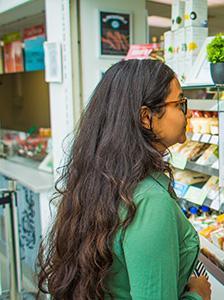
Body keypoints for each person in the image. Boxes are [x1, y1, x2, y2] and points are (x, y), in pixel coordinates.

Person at [37, 59, 211, 300]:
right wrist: (198, 296)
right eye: (180, 103)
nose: (187, 112)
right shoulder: (151, 202)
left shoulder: (100, 179)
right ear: (145, 117)